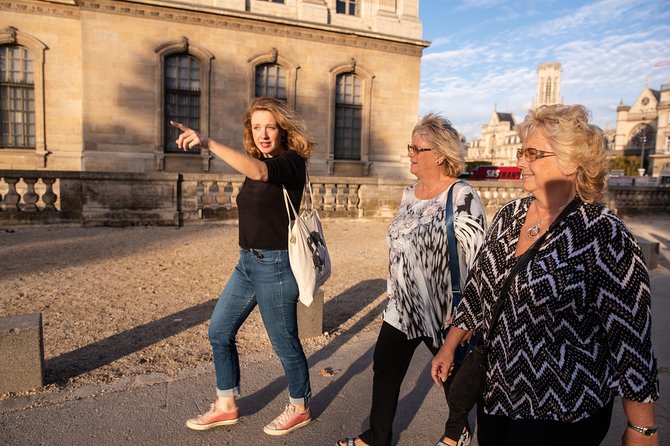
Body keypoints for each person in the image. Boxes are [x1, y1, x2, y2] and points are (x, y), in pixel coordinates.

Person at [431, 104, 660, 446]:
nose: (520, 161)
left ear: (571, 163)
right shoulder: (510, 215)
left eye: (532, 153)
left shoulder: (602, 232)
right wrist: (449, 345)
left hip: (565, 408)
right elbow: (479, 288)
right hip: (498, 394)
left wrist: (642, 428)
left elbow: (630, 339)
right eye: (522, 151)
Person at [338, 113, 488, 446]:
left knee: (451, 375)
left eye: (417, 148)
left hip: (441, 308)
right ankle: (378, 436)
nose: (410, 153)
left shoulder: (461, 196)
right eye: (410, 146)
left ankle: (457, 430)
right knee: (385, 368)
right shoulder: (410, 192)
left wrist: (467, 315)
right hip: (402, 306)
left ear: (439, 155)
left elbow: (481, 261)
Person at [171, 97, 315, 436]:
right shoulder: (256, 159)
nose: (263, 133)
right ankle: (226, 404)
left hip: (276, 267)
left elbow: (262, 173)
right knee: (219, 332)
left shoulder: (291, 162)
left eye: (270, 126)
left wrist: (206, 141)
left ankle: (300, 406)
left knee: (284, 343)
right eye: (256, 127)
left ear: (283, 129)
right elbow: (255, 171)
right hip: (247, 263)